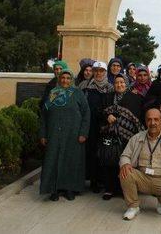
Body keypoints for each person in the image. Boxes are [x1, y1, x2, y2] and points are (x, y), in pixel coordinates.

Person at [119, 108, 161, 220]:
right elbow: (125, 155)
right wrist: (125, 164)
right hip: (143, 177)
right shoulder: (137, 138)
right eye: (149, 120)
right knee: (125, 172)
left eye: (156, 119)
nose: (153, 123)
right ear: (146, 122)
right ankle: (133, 207)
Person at [39, 68, 90, 201]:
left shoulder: (78, 93)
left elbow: (86, 113)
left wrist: (83, 133)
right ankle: (53, 189)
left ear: (71, 80)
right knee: (53, 161)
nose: (65, 80)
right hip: (54, 134)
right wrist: (43, 134)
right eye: (63, 78)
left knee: (71, 161)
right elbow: (44, 115)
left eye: (68, 78)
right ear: (59, 79)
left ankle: (70, 189)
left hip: (73, 135)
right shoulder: (52, 93)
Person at [100, 74, 144, 200]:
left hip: (129, 137)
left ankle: (126, 189)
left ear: (126, 83)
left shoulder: (135, 98)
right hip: (110, 135)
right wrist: (106, 117)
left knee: (126, 163)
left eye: (122, 82)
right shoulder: (108, 97)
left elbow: (138, 119)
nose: (119, 85)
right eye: (117, 82)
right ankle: (110, 189)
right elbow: (100, 112)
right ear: (113, 84)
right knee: (110, 161)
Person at [83, 61, 111, 193]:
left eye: (101, 71)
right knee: (92, 153)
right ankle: (93, 181)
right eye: (96, 71)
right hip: (91, 126)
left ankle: (104, 181)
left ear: (105, 72)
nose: (99, 73)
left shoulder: (110, 88)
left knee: (104, 154)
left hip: (106, 127)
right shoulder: (86, 86)